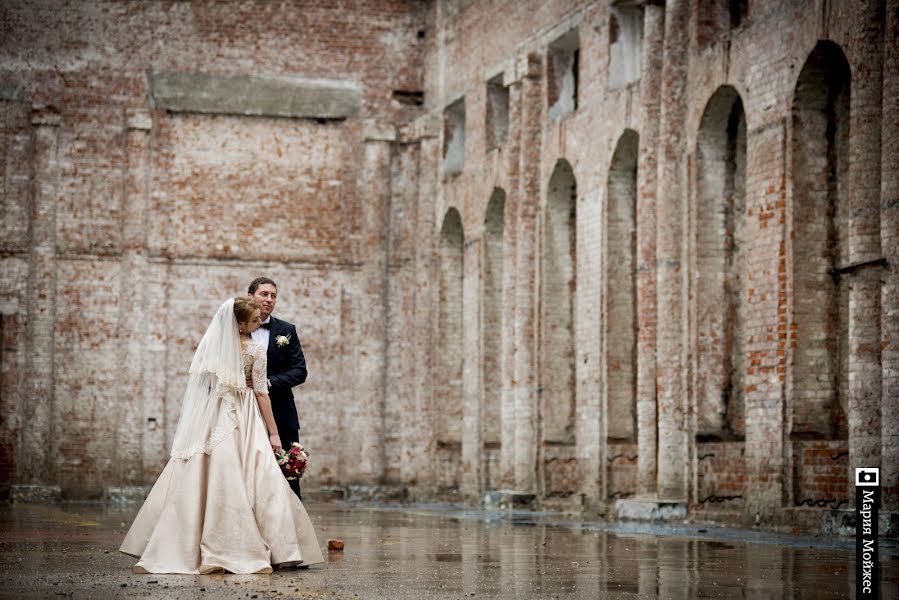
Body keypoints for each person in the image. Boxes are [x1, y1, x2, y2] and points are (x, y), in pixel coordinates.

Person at [119, 297, 324, 574]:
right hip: (247, 415)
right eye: (253, 321)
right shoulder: (254, 349)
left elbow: (204, 388)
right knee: (260, 474)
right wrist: (274, 434)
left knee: (200, 473)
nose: (257, 324)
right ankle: (274, 547)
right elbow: (262, 393)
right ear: (239, 324)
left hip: (214, 414)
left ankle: (180, 544)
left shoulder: (211, 348)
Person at [248, 277, 307, 499]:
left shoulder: (286, 330)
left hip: (281, 412)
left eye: (273, 295)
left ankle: (292, 528)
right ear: (250, 296)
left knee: (288, 476)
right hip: (244, 412)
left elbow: (300, 371)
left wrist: (267, 383)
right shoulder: (236, 329)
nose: (269, 299)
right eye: (264, 294)